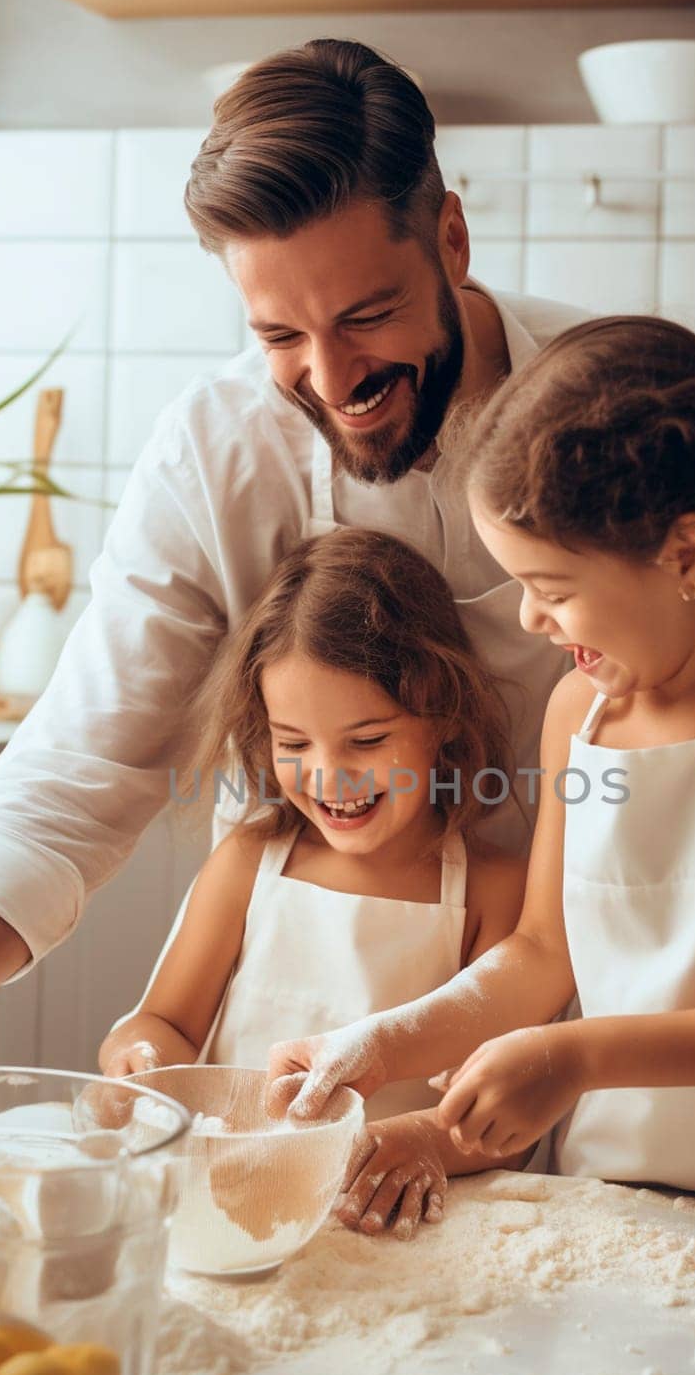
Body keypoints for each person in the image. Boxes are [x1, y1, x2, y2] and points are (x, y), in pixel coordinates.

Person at [0, 40, 582, 1065]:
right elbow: (74, 773)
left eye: (367, 316)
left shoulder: (595, 402)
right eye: (278, 335)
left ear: (451, 240)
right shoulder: (214, 450)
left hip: (592, 1018)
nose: (332, 379)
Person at [267, 315, 695, 1273]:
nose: (533, 619)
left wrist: (576, 1057)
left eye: (552, 585)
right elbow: (541, 953)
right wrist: (385, 1044)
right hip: (616, 1209)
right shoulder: (577, 711)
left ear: (688, 558)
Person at [98, 528, 529, 1237]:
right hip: (237, 1200)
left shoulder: (492, 889)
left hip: (394, 1219)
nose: (328, 776)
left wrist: (416, 1146)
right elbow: (164, 1024)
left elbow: (500, 1110)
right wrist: (138, 1064)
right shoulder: (249, 862)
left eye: (366, 741)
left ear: (442, 719)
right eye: (293, 743)